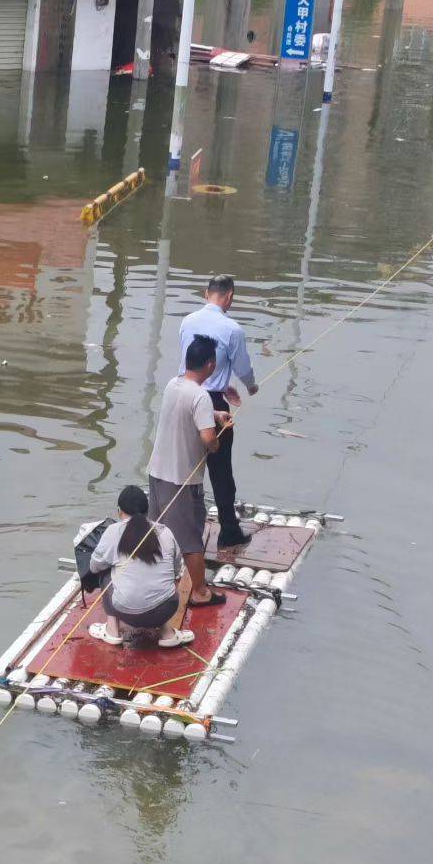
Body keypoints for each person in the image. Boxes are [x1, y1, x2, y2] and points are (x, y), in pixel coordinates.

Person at [147, 333, 231, 607]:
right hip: (181, 480)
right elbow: (208, 439)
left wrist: (215, 416)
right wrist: (216, 443)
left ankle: (152, 581)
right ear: (209, 365)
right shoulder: (202, 396)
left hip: (157, 472)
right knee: (191, 538)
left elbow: (186, 413)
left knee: (157, 532)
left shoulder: (174, 384)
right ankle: (200, 592)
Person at [177, 274, 258, 549]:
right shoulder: (233, 329)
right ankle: (228, 532)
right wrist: (251, 386)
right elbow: (242, 368)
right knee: (221, 469)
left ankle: (180, 530)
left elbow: (193, 365)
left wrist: (222, 385)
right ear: (230, 296)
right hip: (213, 404)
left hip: (185, 394)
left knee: (184, 464)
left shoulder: (187, 322)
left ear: (206, 293)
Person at [87, 485, 193, 648]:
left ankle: (112, 629)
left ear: (119, 511)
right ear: (147, 511)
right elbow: (178, 570)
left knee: (106, 570)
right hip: (166, 609)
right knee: (166, 579)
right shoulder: (165, 532)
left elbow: (94, 566)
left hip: (126, 613)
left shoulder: (113, 531)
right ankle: (167, 633)